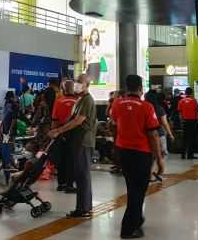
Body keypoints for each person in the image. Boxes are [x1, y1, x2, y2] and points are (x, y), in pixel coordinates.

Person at [110, 75, 164, 239]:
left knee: (132, 187)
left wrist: (117, 145)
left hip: (123, 152)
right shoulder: (147, 107)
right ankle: (128, 228)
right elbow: (153, 135)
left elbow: (113, 126)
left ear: (126, 88)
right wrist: (159, 159)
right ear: (141, 89)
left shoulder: (117, 104)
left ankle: (138, 220)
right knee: (138, 191)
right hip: (141, 154)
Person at [48, 74, 97, 218]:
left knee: (82, 175)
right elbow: (72, 119)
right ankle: (83, 207)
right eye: (76, 82)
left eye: (80, 82)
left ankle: (84, 209)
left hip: (83, 142)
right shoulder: (80, 100)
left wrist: (58, 130)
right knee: (79, 175)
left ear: (87, 84)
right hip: (76, 141)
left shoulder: (87, 100)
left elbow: (78, 121)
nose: (76, 84)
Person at [52, 80, 78, 192]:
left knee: (61, 159)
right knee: (72, 159)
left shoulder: (59, 101)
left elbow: (54, 119)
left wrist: (55, 132)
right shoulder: (78, 101)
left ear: (64, 89)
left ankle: (61, 183)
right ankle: (70, 184)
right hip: (75, 133)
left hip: (60, 132)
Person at [178, 88, 198, 159]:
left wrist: (181, 121)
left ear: (185, 93)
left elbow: (180, 113)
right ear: (191, 93)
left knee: (184, 138)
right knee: (192, 138)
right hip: (193, 122)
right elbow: (197, 112)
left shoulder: (181, 101)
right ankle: (190, 155)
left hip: (184, 121)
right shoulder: (194, 101)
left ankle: (183, 154)